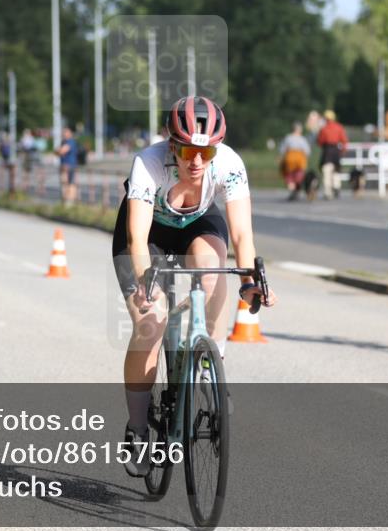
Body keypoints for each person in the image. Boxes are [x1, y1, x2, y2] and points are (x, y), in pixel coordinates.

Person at [113, 96, 277, 477]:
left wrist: (250, 281)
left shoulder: (229, 164)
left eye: (207, 151)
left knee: (212, 269)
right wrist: (145, 282)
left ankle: (210, 361)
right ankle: (137, 429)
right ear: (172, 145)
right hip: (148, 236)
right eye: (188, 151)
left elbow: (242, 234)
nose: (197, 161)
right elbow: (137, 238)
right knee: (150, 322)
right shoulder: (149, 163)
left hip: (197, 225)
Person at [316, 109, 348, 200]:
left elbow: (320, 141)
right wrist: (343, 150)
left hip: (327, 151)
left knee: (327, 171)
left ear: (326, 119)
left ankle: (328, 192)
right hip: (336, 151)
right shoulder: (339, 127)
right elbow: (344, 140)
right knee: (336, 170)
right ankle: (336, 186)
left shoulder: (324, 129)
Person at [278, 122, 311, 201]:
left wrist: (281, 157)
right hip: (300, 161)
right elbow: (307, 151)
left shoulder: (288, 138)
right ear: (299, 130)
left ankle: (293, 191)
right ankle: (296, 190)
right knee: (299, 176)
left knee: (289, 176)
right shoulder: (302, 139)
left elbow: (282, 149)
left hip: (289, 160)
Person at [57, 126, 80, 204]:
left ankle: (68, 201)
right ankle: (67, 201)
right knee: (68, 183)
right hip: (68, 165)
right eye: (63, 132)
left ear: (70, 133)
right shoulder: (64, 142)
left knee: (67, 183)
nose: (63, 134)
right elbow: (59, 151)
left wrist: (59, 150)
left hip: (68, 165)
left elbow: (62, 151)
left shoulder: (70, 141)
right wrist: (59, 151)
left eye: (65, 132)